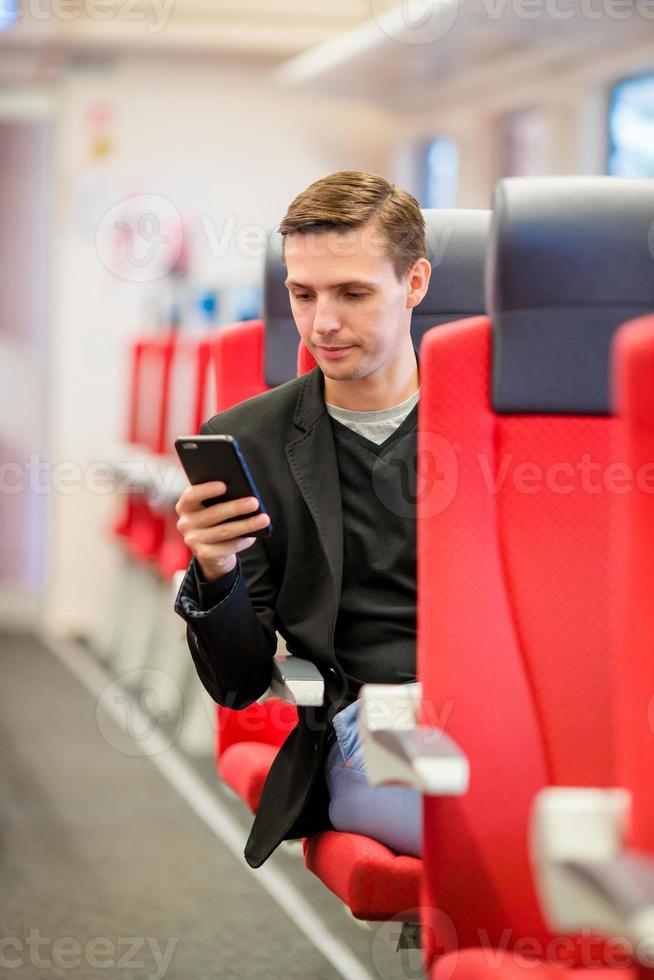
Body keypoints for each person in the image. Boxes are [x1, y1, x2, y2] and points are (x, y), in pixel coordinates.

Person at [174, 171, 431, 869]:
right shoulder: (250, 439)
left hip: (508, 712)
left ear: (415, 284)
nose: (321, 322)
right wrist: (215, 571)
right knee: (475, 813)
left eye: (352, 293)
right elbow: (238, 681)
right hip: (370, 722)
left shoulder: (493, 423)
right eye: (302, 293)